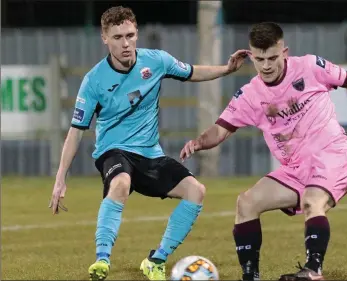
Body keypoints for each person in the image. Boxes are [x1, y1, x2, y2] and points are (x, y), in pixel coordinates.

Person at [180, 22, 347, 281]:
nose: (266, 65)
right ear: (251, 56)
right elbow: (221, 129)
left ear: (284, 52)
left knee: (312, 200)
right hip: (295, 169)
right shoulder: (250, 94)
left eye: (273, 57)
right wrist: (198, 142)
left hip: (333, 155)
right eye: (260, 59)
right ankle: (250, 276)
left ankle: (313, 270)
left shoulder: (309, 67)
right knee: (247, 203)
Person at [48, 6, 248, 281]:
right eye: (118, 37)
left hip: (150, 155)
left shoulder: (156, 61)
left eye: (130, 35)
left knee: (196, 191)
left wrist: (227, 69)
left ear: (137, 33)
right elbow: (75, 131)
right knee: (120, 184)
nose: (126, 43)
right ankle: (102, 261)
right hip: (113, 152)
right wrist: (61, 177)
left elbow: (192, 72)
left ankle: (156, 260)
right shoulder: (93, 81)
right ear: (104, 38)